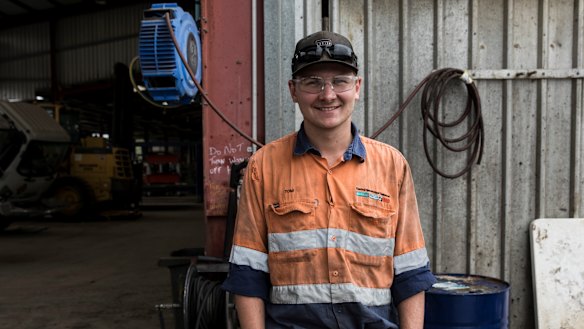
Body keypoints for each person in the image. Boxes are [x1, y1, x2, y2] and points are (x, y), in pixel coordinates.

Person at [222, 30, 436, 329]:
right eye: (313, 83)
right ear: (293, 91)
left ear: (357, 87)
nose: (327, 94)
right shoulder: (264, 166)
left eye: (340, 81)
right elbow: (248, 273)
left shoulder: (392, 166)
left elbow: (410, 274)